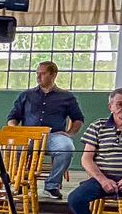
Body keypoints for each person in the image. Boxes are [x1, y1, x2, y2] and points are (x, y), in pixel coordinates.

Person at [8, 61, 85, 201]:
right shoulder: (26, 95)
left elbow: (78, 119)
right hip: (29, 135)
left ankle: (52, 185)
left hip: (53, 136)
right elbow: (13, 117)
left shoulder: (66, 97)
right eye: (37, 73)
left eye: (42, 73)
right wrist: (15, 131)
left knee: (67, 148)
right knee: (14, 147)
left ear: (53, 75)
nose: (38, 77)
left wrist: (69, 134)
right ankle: (19, 181)